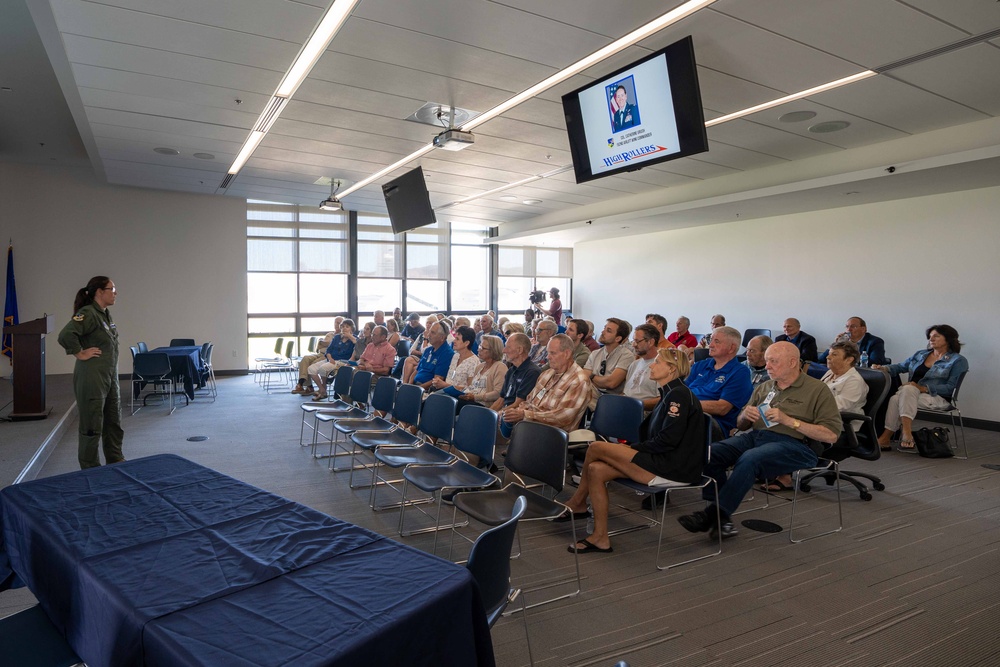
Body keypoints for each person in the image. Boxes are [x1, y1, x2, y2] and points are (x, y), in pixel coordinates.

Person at [678, 342, 843, 539]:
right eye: (766, 361)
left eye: (773, 361)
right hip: (756, 437)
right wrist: (745, 415)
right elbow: (741, 426)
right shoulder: (764, 387)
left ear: (792, 362)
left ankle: (714, 514)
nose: (767, 366)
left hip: (797, 445)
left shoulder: (817, 390)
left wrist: (789, 421)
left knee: (751, 458)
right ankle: (720, 515)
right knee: (710, 453)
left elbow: (831, 435)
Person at [563, 347, 705, 553]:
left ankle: (577, 502)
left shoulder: (679, 396)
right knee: (596, 470)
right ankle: (600, 537)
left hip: (673, 466)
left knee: (595, 447)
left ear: (672, 370)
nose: (652, 365)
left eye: (658, 362)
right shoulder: (669, 393)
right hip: (661, 457)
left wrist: (631, 448)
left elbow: (667, 441)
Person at [764, 339, 868, 492]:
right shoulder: (830, 374)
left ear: (849, 359)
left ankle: (784, 477)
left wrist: (802, 409)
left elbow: (836, 408)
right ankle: (770, 468)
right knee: (781, 426)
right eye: (829, 354)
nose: (828, 357)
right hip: (817, 418)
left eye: (834, 355)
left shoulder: (854, 381)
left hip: (842, 427)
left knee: (793, 430)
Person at [57, 276, 124, 469]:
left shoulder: (105, 315)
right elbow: (65, 335)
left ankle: (115, 458)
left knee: (113, 420)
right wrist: (79, 352)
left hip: (109, 377)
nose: (115, 293)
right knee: (92, 425)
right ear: (99, 292)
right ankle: (90, 468)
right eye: (112, 289)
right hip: (92, 378)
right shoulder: (88, 313)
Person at [875, 325, 968, 451]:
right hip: (911, 395)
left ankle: (900, 434)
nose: (931, 339)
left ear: (948, 339)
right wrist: (883, 368)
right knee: (900, 396)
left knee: (901, 394)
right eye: (930, 336)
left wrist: (922, 388)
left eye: (936, 336)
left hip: (938, 398)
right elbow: (901, 366)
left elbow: (950, 388)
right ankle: (892, 438)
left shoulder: (958, 361)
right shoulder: (921, 354)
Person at [499, 334, 590, 434]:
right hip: (530, 427)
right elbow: (529, 401)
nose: (548, 357)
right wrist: (517, 412)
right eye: (547, 352)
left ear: (567, 354)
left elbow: (564, 417)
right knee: (497, 425)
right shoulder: (546, 374)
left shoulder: (579, 381)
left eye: (552, 353)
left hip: (553, 434)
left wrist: (526, 415)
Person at [684, 326, 753, 436]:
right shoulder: (700, 365)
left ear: (731, 348)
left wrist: (685, 404)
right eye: (710, 340)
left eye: (717, 341)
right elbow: (681, 391)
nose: (710, 345)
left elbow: (722, 408)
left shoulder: (740, 372)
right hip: (685, 412)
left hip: (712, 422)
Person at [493, 333, 542, 438]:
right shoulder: (511, 370)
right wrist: (488, 413)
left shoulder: (532, 372)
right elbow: (501, 399)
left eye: (508, 347)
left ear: (520, 350)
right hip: (504, 413)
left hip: (513, 418)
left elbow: (518, 403)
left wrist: (496, 415)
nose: (503, 350)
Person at [582, 318, 634, 411]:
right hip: (592, 394)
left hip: (612, 400)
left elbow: (611, 383)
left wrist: (592, 376)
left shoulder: (626, 356)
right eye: (604, 328)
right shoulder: (595, 353)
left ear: (618, 338)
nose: (603, 332)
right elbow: (584, 377)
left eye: (608, 331)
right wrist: (594, 378)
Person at [307, 319, 357, 398]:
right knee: (311, 369)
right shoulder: (337, 337)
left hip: (342, 361)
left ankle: (323, 389)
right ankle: (322, 389)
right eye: (343, 326)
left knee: (323, 368)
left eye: (347, 327)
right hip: (331, 359)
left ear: (352, 329)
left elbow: (358, 347)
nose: (344, 328)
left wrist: (350, 336)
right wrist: (330, 358)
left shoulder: (354, 339)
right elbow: (328, 350)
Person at [815, 316, 887, 367]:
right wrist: (836, 344)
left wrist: (852, 350)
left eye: (853, 326)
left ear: (863, 329)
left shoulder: (875, 342)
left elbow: (875, 363)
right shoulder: (843, 342)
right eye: (847, 327)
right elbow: (821, 360)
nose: (849, 330)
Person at [458, 334, 507, 409]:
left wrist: (475, 397)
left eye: (483, 348)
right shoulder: (480, 367)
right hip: (471, 402)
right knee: (449, 399)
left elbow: (498, 393)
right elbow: (472, 387)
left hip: (483, 406)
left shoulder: (500, 367)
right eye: (479, 346)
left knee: (452, 404)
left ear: (493, 350)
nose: (478, 350)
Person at [623, 324, 662, 412]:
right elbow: (627, 392)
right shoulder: (634, 364)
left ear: (651, 342)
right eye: (633, 341)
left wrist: (635, 405)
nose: (633, 345)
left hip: (644, 414)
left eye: (637, 341)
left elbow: (662, 399)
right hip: (626, 409)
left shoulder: (663, 366)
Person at [432, 325, 479, 394]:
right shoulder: (456, 356)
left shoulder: (474, 362)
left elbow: (470, 389)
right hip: (446, 392)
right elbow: (450, 379)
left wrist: (445, 385)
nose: (454, 341)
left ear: (466, 343)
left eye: (457, 339)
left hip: (459, 398)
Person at [411, 319, 455, 391]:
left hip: (426, 389)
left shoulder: (447, 354)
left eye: (433, 333)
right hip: (416, 386)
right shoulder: (428, 350)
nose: (428, 335)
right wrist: (409, 385)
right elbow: (417, 371)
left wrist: (417, 389)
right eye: (429, 331)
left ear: (442, 338)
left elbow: (437, 380)